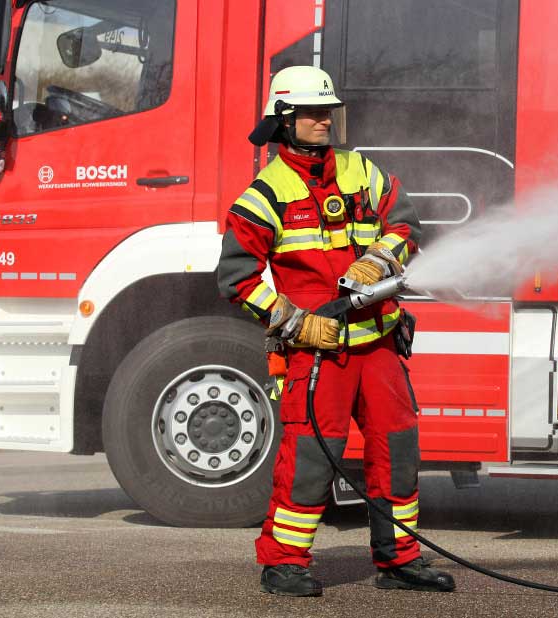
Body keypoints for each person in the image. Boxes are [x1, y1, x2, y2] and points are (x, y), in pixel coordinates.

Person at [216, 65, 454, 597]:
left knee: (397, 448)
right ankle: (283, 563)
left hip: (380, 345)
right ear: (284, 120)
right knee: (308, 456)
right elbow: (238, 280)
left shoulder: (361, 171)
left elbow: (405, 225)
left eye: (328, 111)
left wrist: (379, 258)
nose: (325, 120)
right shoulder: (263, 195)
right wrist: (296, 325)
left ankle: (400, 560)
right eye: (312, 112)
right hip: (318, 352)